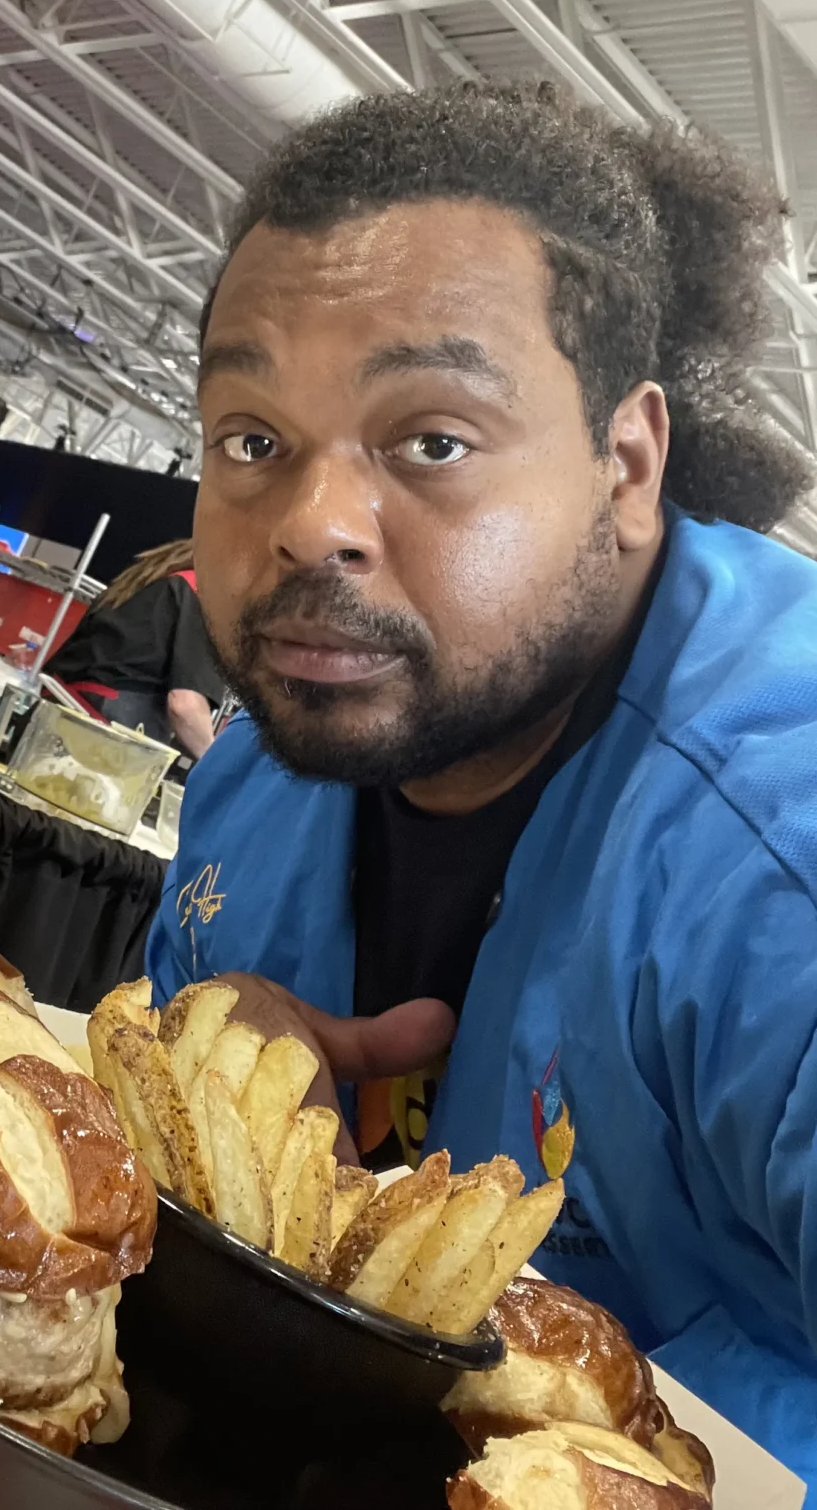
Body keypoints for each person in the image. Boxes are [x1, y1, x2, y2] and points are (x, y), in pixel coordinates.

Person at [146, 82, 817, 1487]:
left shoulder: (777, 868)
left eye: (431, 441)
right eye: (251, 440)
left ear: (625, 464)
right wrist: (202, 1093)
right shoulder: (255, 786)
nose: (311, 528)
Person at [47, 538, 225, 758]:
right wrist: (215, 764)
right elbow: (185, 706)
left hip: (54, 711)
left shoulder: (150, 576)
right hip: (99, 736)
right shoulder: (203, 594)